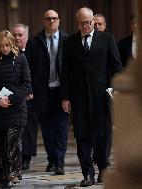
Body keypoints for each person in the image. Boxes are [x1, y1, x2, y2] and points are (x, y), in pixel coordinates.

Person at [61, 7, 122, 186]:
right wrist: (65, 97)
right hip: (79, 98)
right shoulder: (69, 42)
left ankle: (103, 169)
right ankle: (87, 174)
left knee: (102, 136)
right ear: (77, 23)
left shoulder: (107, 39)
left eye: (89, 22)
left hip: (102, 97)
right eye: (82, 23)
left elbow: (116, 67)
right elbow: (65, 73)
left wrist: (114, 90)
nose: (86, 26)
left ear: (94, 21)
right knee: (83, 138)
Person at [0, 30, 31, 188]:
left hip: (16, 107)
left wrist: (11, 99)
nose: (5, 48)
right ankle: (2, 177)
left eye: (8, 45)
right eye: (2, 45)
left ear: (12, 44)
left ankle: (14, 173)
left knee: (14, 142)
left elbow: (26, 85)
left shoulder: (21, 59)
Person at [27, 10, 69, 175]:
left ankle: (59, 162)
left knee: (61, 128)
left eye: (54, 18)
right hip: (42, 92)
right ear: (43, 21)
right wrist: (29, 90)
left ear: (58, 21)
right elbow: (28, 69)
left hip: (61, 92)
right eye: (48, 19)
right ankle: (52, 159)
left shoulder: (68, 40)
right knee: (47, 129)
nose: (51, 21)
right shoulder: (34, 42)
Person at [11, 23, 39, 171]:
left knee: (28, 128)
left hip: (29, 96)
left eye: (20, 35)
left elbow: (38, 74)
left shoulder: (32, 51)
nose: (17, 38)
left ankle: (26, 158)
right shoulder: (6, 52)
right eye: (14, 35)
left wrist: (30, 91)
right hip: (11, 97)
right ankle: (14, 157)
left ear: (26, 37)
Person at [93, 13, 112, 168]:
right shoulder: (84, 42)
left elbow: (115, 67)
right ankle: (98, 154)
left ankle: (103, 157)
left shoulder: (109, 40)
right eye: (95, 24)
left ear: (104, 26)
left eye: (100, 24)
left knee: (105, 129)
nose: (97, 26)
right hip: (90, 92)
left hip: (106, 91)